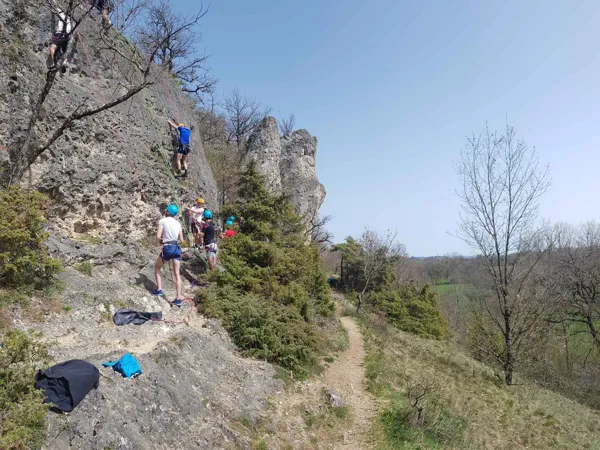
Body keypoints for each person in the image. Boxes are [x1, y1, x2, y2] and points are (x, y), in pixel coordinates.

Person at [153, 204, 184, 306]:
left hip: (167, 248)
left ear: (167, 212)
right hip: (176, 248)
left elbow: (158, 236)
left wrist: (163, 241)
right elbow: (182, 240)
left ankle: (159, 290)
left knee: (157, 268)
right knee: (177, 273)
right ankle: (178, 298)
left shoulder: (163, 221)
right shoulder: (178, 224)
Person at [47, 3, 73, 72]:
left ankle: (52, 62)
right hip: (67, 35)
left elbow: (54, 5)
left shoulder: (62, 14)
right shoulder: (71, 21)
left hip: (59, 33)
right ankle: (64, 62)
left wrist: (51, 2)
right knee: (65, 51)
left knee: (52, 47)